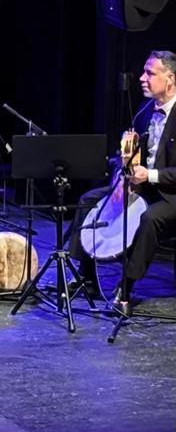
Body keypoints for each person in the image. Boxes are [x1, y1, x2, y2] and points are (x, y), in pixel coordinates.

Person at [69, 50, 176, 312]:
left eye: (150, 73)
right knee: (88, 200)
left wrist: (150, 175)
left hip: (170, 193)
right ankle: (85, 276)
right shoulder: (145, 111)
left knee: (150, 218)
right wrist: (121, 177)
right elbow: (128, 152)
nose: (142, 78)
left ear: (170, 79)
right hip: (143, 185)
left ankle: (126, 286)